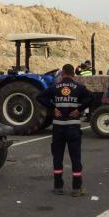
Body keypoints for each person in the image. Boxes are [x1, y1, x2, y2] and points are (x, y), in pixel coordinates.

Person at [37, 64, 94, 196]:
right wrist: (79, 109)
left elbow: (40, 97)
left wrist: (53, 108)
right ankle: (76, 188)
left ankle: (58, 187)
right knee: (75, 158)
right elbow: (91, 97)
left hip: (58, 127)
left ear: (62, 74)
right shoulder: (79, 88)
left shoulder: (54, 87)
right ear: (73, 74)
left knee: (57, 157)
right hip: (73, 127)